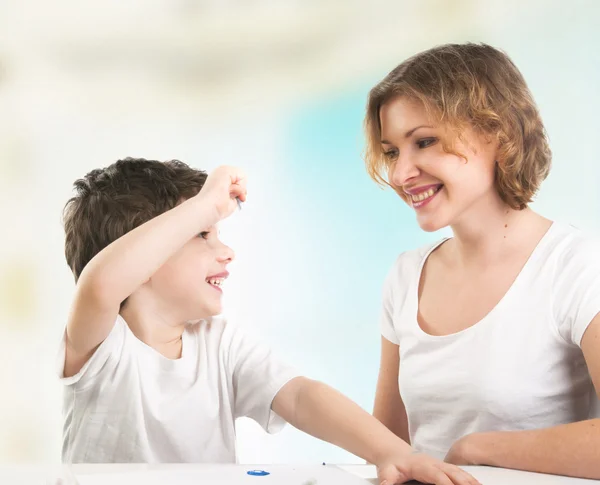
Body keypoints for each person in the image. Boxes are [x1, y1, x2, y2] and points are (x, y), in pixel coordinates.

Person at [57, 157, 479, 485]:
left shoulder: (220, 344)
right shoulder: (102, 344)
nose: (226, 252)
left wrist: (394, 453)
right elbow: (99, 284)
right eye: (204, 234)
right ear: (145, 255)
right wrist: (204, 204)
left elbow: (300, 397)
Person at [364, 43, 600, 480]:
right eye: (393, 151)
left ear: (497, 132)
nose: (400, 174)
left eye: (424, 141)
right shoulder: (406, 276)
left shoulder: (576, 267)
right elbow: (388, 449)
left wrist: (480, 449)